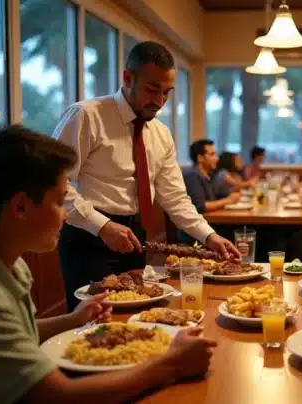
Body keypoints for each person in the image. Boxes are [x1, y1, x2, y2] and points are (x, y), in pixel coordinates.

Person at [0, 126, 217, 404]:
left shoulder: (0, 261)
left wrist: (71, 320)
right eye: (60, 202)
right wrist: (170, 364)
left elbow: (20, 332)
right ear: (20, 207)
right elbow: (58, 396)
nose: (65, 214)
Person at [53, 41, 239, 311]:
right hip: (88, 238)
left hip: (136, 238)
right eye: (152, 90)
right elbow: (55, 182)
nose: (159, 101)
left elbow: (175, 198)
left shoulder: (161, 134)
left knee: (135, 319)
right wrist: (102, 226)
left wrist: (209, 236)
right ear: (128, 78)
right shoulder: (87, 115)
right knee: (93, 324)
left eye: (166, 93)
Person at [183, 139, 241, 213]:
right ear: (200, 158)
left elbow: (215, 197)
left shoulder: (209, 175)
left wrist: (230, 195)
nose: (217, 158)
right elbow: (200, 206)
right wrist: (228, 200)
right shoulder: (192, 175)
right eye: (212, 154)